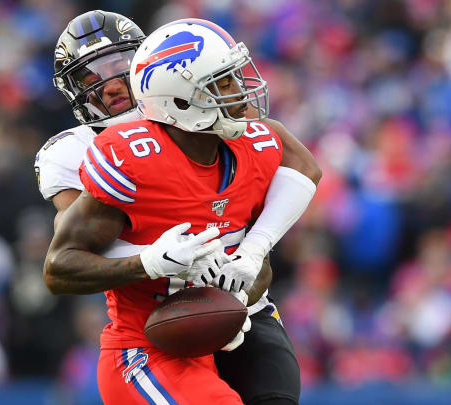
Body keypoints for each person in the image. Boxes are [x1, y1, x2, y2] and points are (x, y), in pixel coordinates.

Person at [37, 11, 320, 404]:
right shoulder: (97, 152)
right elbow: (73, 251)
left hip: (236, 310)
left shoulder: (229, 126)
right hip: (156, 321)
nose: (110, 83)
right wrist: (157, 259)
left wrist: (246, 265)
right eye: (91, 77)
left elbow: (300, 172)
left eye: (120, 66)